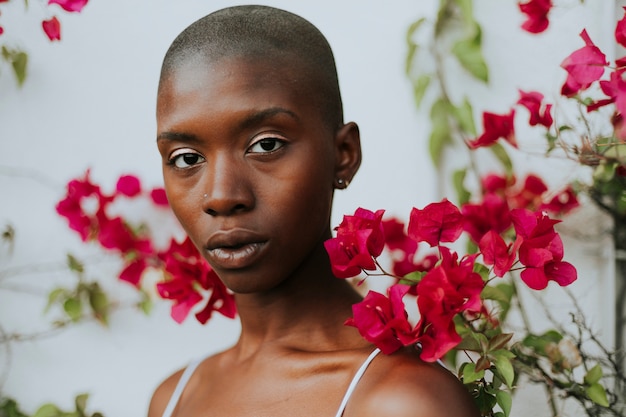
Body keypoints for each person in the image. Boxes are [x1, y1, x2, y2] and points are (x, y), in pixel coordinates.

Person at [148, 5, 480, 417]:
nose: (220, 196)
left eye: (266, 145)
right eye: (185, 158)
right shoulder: (174, 398)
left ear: (343, 154)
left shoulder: (401, 402)